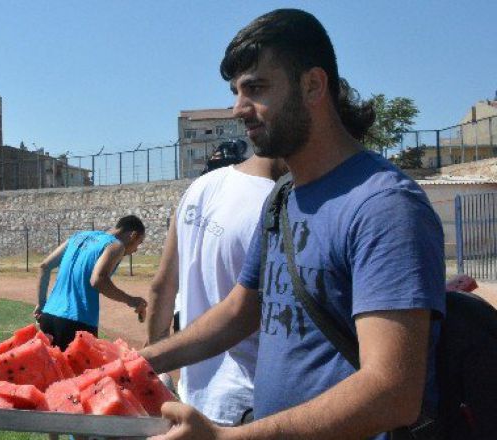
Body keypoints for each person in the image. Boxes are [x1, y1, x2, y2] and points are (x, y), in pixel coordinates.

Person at [143, 9, 445, 440]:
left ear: (313, 85)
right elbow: (238, 311)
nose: (239, 108)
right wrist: (140, 363)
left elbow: (392, 390)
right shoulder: (284, 199)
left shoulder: (385, 206)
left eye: (257, 88)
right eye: (235, 91)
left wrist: (227, 439)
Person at [146, 155, 283, 426]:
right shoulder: (278, 201)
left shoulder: (199, 187)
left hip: (194, 395)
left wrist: (155, 365)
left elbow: (162, 286)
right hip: (247, 403)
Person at [36, 215, 148, 350]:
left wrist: (41, 304)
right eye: (139, 243)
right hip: (77, 322)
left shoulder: (78, 237)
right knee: (82, 371)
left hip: (48, 317)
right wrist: (132, 300)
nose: (135, 250)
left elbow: (44, 266)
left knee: (51, 370)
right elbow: (98, 280)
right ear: (133, 235)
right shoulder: (116, 246)